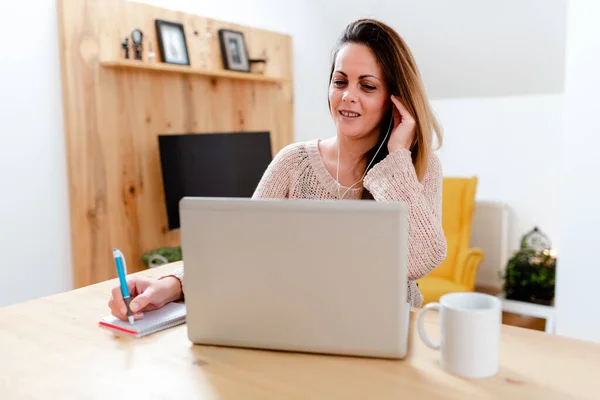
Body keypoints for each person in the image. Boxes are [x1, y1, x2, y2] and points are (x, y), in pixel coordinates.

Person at [108, 18, 447, 322]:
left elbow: (420, 259)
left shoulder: (417, 167)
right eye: (340, 81)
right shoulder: (293, 163)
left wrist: (396, 159)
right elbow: (239, 247)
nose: (348, 96)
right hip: (302, 325)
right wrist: (169, 285)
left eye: (367, 86)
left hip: (388, 329)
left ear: (395, 98)